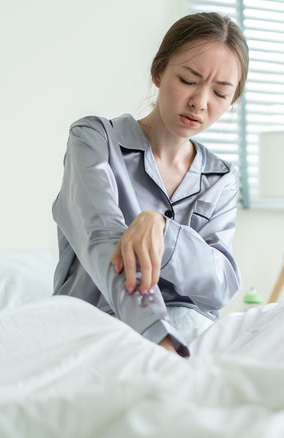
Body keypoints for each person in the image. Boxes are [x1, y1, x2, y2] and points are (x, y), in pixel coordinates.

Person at [51, 12, 249, 357]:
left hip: (194, 333)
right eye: (188, 80)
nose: (200, 103)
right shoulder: (94, 140)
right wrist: (160, 338)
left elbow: (220, 285)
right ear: (159, 72)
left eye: (220, 92)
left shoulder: (221, 178)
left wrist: (162, 231)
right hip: (100, 328)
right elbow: (103, 239)